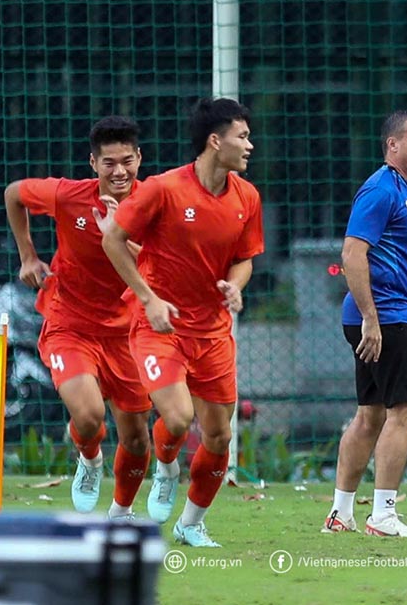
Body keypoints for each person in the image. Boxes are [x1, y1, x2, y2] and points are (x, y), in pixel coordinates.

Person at [102, 98, 263, 547]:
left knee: (219, 434)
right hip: (161, 326)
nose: (250, 145)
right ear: (216, 141)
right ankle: (166, 468)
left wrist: (236, 285)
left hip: (213, 333)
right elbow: (113, 239)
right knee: (176, 418)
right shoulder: (163, 189)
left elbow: (245, 259)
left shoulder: (246, 196)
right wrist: (148, 298)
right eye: (243, 136)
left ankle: (191, 523)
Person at [4, 116, 152, 520]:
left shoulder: (154, 203)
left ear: (139, 159)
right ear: (93, 163)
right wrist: (28, 256)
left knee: (137, 440)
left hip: (129, 333)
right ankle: (88, 460)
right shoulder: (68, 196)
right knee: (88, 416)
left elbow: (163, 265)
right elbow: (14, 193)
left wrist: (117, 237)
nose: (119, 171)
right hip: (70, 323)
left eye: (127, 161)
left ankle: (120, 514)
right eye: (109, 162)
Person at [321, 111, 407, 538]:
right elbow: (352, 254)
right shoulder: (380, 190)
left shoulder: (404, 190)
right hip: (384, 317)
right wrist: (372, 319)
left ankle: (341, 513)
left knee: (370, 415)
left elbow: (405, 258)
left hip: (391, 312)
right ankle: (384, 515)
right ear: (392, 145)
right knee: (406, 411)